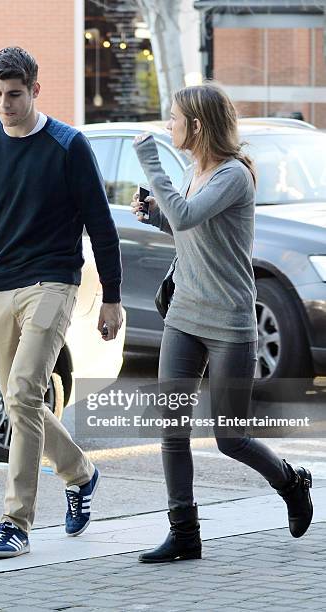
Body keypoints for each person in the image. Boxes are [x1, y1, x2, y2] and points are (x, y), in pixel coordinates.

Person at [0, 47, 123, 559]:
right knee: (19, 401)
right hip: (2, 284)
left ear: (35, 90)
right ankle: (80, 472)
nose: (5, 105)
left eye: (14, 94)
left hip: (54, 281)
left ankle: (15, 522)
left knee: (25, 392)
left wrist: (112, 299)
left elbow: (101, 225)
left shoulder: (68, 145)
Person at [131, 81, 313, 563]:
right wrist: (155, 215)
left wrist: (150, 159)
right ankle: (184, 533)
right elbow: (190, 228)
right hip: (184, 317)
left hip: (229, 322)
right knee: (172, 429)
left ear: (196, 125)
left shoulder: (234, 175)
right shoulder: (197, 170)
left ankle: (292, 482)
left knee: (230, 436)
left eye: (173, 119)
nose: (167, 126)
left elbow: (189, 216)